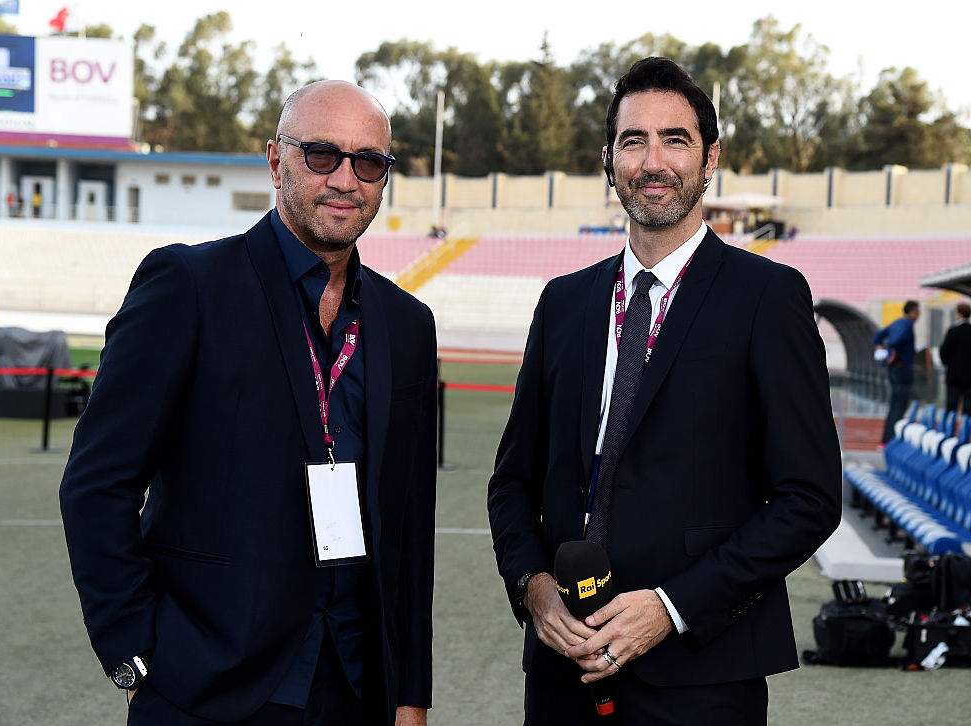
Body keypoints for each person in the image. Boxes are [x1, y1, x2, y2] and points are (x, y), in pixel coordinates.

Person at [59, 80, 436, 726]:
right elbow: (97, 483)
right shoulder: (188, 286)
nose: (346, 178)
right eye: (322, 154)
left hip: (354, 689)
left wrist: (409, 694)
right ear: (274, 160)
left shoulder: (407, 323)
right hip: (204, 688)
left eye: (368, 162)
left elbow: (409, 529)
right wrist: (133, 658)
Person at [487, 57, 841, 725]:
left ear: (710, 158)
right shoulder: (563, 303)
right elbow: (511, 482)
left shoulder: (768, 298)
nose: (653, 161)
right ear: (608, 161)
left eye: (674, 139)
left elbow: (808, 499)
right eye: (633, 140)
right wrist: (533, 590)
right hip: (564, 673)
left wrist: (670, 608)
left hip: (700, 679)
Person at [874, 300, 920, 444]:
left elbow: (877, 336)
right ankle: (891, 438)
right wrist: (892, 354)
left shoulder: (896, 322)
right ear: (912, 311)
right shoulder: (906, 325)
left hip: (894, 369)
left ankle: (887, 438)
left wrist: (880, 347)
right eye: (918, 312)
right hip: (902, 369)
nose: (918, 315)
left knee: (895, 404)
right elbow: (895, 340)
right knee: (899, 405)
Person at [939, 301, 971, 415]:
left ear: (959, 314)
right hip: (969, 378)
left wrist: (948, 363)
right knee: (968, 412)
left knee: (951, 409)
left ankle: (950, 431)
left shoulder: (953, 331)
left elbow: (944, 352)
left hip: (954, 377)